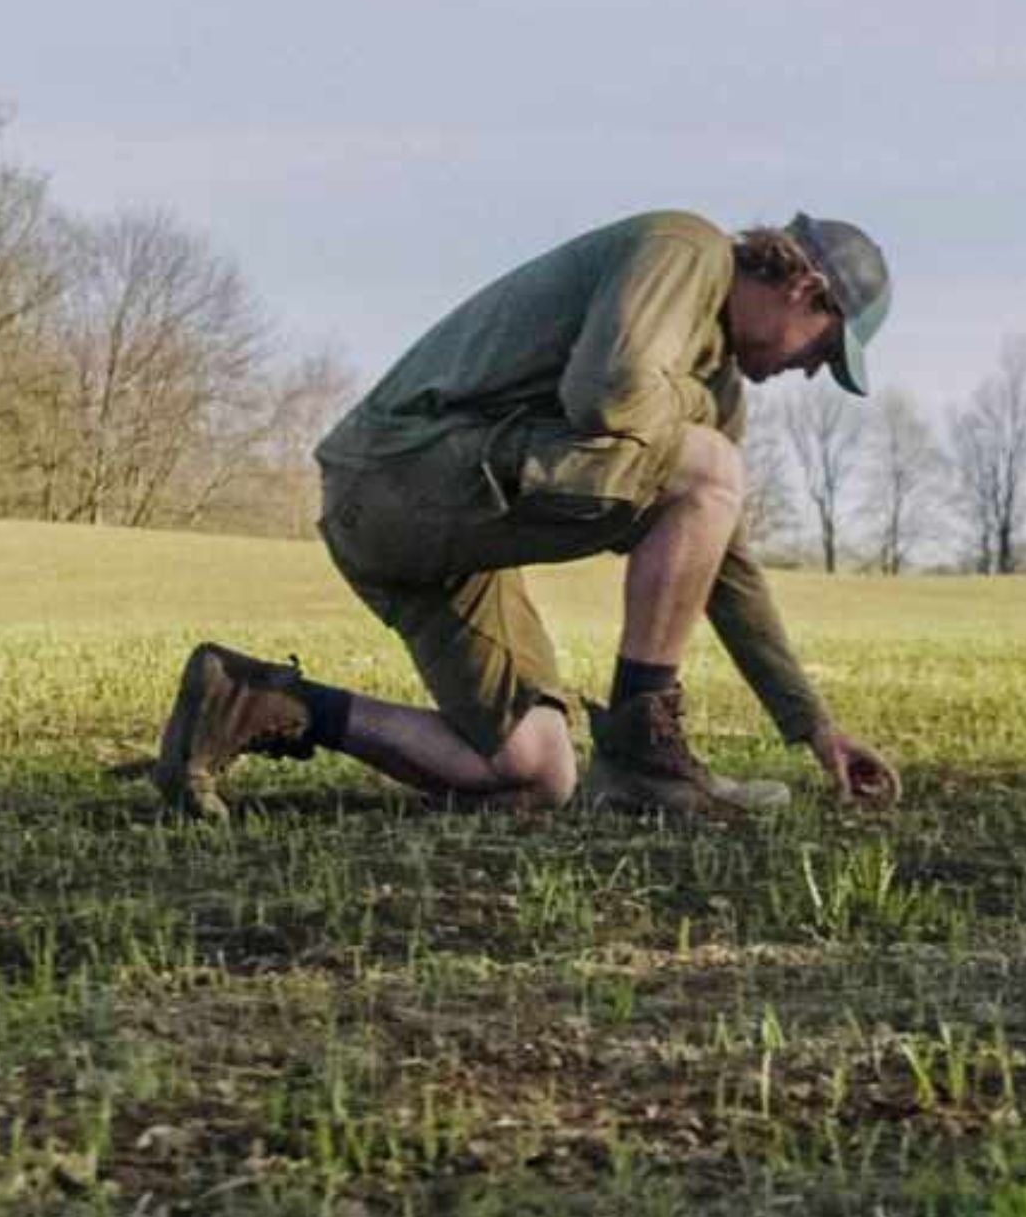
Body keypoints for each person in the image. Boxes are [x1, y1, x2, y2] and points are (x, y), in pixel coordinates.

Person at [151, 209, 904, 820]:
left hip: (447, 524)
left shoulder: (721, 392)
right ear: (806, 290)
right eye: (826, 352)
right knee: (710, 468)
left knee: (536, 768)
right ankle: (643, 748)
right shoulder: (689, 249)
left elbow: (721, 561)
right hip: (399, 473)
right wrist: (692, 428)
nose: (812, 373)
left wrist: (813, 726)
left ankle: (254, 700)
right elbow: (604, 393)